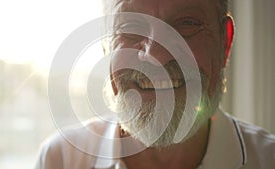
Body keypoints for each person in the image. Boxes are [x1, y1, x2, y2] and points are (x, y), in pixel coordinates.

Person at [35, 0, 275, 168]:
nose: (157, 55)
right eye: (130, 27)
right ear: (107, 46)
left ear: (225, 43)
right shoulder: (60, 161)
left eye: (187, 23)